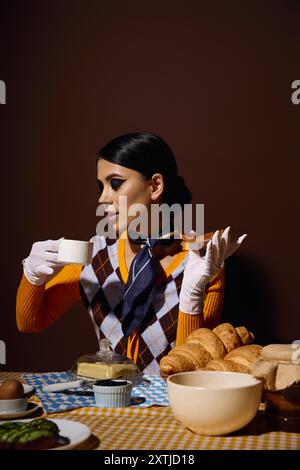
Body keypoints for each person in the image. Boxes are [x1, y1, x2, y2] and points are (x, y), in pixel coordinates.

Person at [16, 133, 246, 374]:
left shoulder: (203, 259)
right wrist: (32, 276)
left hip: (173, 406)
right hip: (111, 402)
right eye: (100, 186)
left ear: (155, 186)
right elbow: (30, 322)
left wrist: (191, 295)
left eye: (115, 183)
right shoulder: (97, 253)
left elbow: (193, 366)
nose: (103, 197)